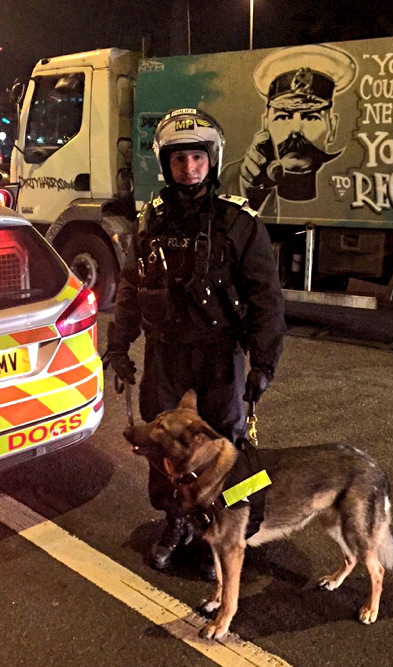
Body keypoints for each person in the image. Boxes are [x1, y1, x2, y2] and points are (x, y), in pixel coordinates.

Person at [108, 107, 286, 578]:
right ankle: (177, 523)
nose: (189, 168)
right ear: (166, 164)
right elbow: (130, 288)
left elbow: (266, 297)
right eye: (180, 158)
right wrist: (117, 348)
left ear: (213, 160)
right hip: (165, 354)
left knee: (225, 446)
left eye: (197, 158)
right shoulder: (150, 222)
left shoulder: (238, 223)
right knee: (162, 446)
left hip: (219, 355)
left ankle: (223, 530)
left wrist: (263, 363)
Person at [219, 43, 357, 217]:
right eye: (283, 117)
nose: (296, 129)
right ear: (266, 125)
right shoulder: (234, 177)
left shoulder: (346, 193)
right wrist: (246, 183)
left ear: (332, 127)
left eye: (311, 117)